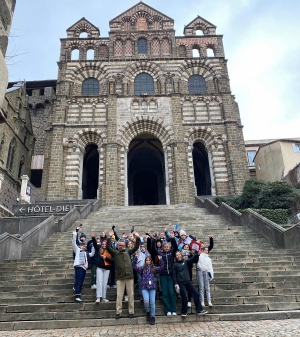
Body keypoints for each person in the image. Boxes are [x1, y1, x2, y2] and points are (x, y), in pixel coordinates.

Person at [106, 229, 140, 319]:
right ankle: (118, 312)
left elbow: (136, 247)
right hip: (120, 277)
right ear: (118, 246)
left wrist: (137, 237)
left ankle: (131, 311)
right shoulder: (115, 253)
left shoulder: (128, 252)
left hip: (129, 276)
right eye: (120, 245)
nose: (121, 246)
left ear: (125, 246)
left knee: (131, 295)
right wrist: (110, 237)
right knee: (119, 296)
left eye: (122, 245)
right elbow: (108, 247)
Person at [173, 250, 207, 317]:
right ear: (175, 257)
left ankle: (199, 310)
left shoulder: (186, 261)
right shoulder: (175, 265)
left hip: (188, 281)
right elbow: (174, 275)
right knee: (184, 297)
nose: (178, 256)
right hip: (181, 283)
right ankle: (184, 312)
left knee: (196, 294)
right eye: (177, 255)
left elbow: (192, 259)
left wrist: (197, 254)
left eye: (179, 254)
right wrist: (175, 283)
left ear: (181, 255)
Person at [132, 255, 164, 325]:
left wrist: (160, 260)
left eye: (149, 260)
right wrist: (136, 258)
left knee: (152, 302)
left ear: (151, 261)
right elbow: (134, 266)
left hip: (152, 287)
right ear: (145, 261)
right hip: (144, 287)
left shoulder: (154, 268)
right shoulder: (142, 268)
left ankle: (153, 316)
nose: (148, 261)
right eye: (147, 260)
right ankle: (148, 311)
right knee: (146, 301)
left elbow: (161, 268)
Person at [154, 238, 177, 316]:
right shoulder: (160, 254)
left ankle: (173, 309)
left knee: (171, 292)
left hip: (170, 275)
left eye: (168, 247)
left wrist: (173, 238)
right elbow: (153, 249)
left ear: (169, 247)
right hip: (163, 275)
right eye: (165, 247)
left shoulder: (172, 253)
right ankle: (167, 310)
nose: (166, 248)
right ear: (163, 248)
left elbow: (176, 247)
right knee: (165, 293)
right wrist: (154, 239)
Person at [72, 229, 95, 302]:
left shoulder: (86, 252)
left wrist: (94, 245)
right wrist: (75, 234)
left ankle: (78, 295)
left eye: (85, 246)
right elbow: (73, 243)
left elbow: (92, 254)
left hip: (84, 268)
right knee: (78, 281)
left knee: (81, 281)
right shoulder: (77, 250)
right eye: (83, 246)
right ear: (80, 246)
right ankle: (77, 296)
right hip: (79, 267)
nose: (84, 247)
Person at [92, 237, 113, 303]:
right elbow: (95, 245)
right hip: (100, 268)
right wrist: (93, 238)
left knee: (105, 283)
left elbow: (112, 260)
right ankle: (98, 297)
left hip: (107, 268)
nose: (104, 245)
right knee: (99, 282)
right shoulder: (99, 249)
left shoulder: (110, 251)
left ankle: (104, 297)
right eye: (103, 244)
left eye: (105, 244)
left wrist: (106, 258)